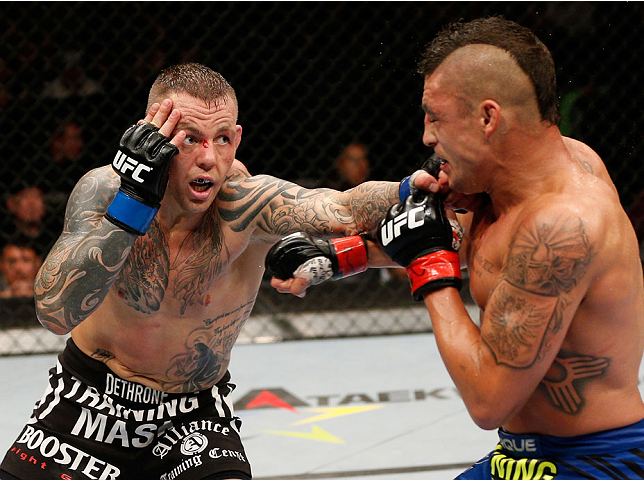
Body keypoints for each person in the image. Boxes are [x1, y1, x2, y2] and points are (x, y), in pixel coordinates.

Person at [268, 17, 644, 479]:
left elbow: (488, 399)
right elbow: (446, 231)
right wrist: (339, 257)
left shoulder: (563, 225)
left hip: (597, 464)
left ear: (488, 118)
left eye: (435, 116)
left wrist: (428, 267)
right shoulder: (530, 171)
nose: (426, 136)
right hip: (521, 458)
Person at [0, 63, 401, 480]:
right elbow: (53, 314)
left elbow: (344, 207)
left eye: (222, 139)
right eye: (190, 138)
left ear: (237, 139)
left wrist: (417, 190)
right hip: (86, 405)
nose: (209, 158)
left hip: (192, 419)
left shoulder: (246, 203)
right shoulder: (105, 190)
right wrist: (131, 205)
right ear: (152, 134)